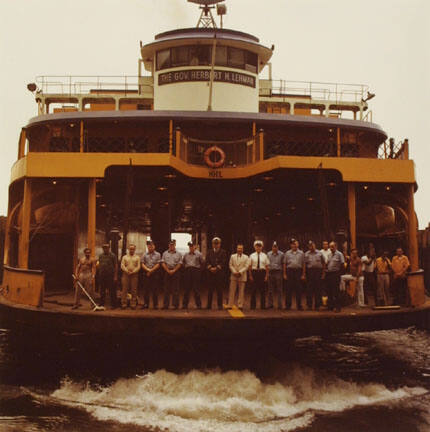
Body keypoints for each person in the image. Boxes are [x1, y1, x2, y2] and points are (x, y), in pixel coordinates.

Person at [206, 237, 228, 310]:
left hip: (219, 274)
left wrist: (217, 268)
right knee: (210, 290)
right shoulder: (209, 252)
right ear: (212, 244)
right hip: (210, 273)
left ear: (220, 244)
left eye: (217, 243)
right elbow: (207, 261)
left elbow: (224, 262)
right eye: (214, 244)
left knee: (219, 290)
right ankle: (209, 306)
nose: (216, 245)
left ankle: (220, 305)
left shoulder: (223, 252)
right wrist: (210, 268)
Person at [283, 238, 305, 310]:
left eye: (295, 244)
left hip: (298, 271)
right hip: (290, 271)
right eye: (292, 244)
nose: (294, 245)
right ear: (290, 245)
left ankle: (299, 305)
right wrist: (285, 274)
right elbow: (284, 264)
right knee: (288, 289)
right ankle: (288, 305)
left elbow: (303, 264)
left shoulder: (301, 253)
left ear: (298, 245)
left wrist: (303, 274)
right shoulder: (287, 253)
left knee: (298, 289)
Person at [161, 240, 183, 309]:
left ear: (175, 245)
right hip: (167, 271)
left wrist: (174, 270)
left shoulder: (179, 253)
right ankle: (165, 305)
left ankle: (175, 305)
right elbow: (163, 263)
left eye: (173, 245)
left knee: (175, 289)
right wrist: (168, 270)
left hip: (176, 272)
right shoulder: (165, 253)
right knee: (166, 289)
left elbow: (180, 264)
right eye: (170, 245)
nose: (171, 246)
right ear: (168, 245)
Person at [304, 241, 325, 310]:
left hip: (318, 272)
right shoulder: (306, 254)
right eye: (310, 246)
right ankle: (309, 305)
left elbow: (324, 263)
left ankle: (317, 306)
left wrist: (323, 273)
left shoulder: (320, 253)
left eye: (312, 245)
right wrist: (304, 274)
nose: (311, 247)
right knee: (309, 289)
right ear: (308, 247)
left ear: (315, 246)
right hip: (310, 272)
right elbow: (304, 265)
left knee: (318, 289)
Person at [182, 241, 204, 309]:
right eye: (190, 246)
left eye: (192, 246)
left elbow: (202, 263)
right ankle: (184, 305)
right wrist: (185, 270)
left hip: (196, 271)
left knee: (196, 289)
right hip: (188, 271)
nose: (191, 247)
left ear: (195, 246)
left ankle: (199, 305)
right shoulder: (185, 254)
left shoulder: (199, 254)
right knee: (187, 289)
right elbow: (183, 262)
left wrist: (199, 271)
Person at [227, 243, 249, 310]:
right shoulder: (232, 256)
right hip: (233, 276)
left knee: (241, 291)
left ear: (243, 249)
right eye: (238, 248)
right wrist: (234, 272)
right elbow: (230, 265)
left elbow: (246, 266)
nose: (239, 249)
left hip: (242, 276)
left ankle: (240, 305)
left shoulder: (246, 257)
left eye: (241, 248)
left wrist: (240, 272)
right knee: (232, 291)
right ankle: (230, 305)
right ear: (236, 249)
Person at [249, 240, 269, 309]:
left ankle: (263, 306)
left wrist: (266, 276)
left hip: (262, 273)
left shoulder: (265, 256)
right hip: (254, 273)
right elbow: (250, 267)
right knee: (253, 290)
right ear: (254, 247)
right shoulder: (251, 255)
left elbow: (267, 267)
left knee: (262, 291)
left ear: (262, 247)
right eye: (257, 246)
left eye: (259, 246)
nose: (258, 248)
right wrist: (250, 275)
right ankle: (252, 306)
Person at [141, 240, 161, 309]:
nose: (150, 247)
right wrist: (148, 270)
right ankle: (146, 304)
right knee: (146, 290)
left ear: (154, 246)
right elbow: (142, 264)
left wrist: (151, 271)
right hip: (146, 273)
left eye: (151, 245)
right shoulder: (144, 254)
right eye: (149, 246)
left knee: (155, 290)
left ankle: (155, 305)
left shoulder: (158, 254)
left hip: (154, 274)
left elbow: (158, 264)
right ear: (147, 246)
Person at [325, 241, 345, 312]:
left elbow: (342, 264)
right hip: (329, 274)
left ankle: (338, 307)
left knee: (336, 291)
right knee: (329, 291)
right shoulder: (329, 255)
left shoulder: (339, 254)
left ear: (336, 247)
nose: (331, 248)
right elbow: (327, 263)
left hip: (336, 274)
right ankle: (330, 306)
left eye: (332, 247)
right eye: (330, 247)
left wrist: (340, 273)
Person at [97, 243, 118, 309]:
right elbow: (99, 265)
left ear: (109, 248)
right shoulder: (100, 256)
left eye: (106, 247)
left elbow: (116, 266)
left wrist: (115, 276)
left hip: (110, 276)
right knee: (102, 291)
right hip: (102, 276)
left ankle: (114, 305)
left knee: (112, 291)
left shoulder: (113, 255)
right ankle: (101, 304)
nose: (105, 249)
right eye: (104, 248)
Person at [120, 244, 140, 309]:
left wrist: (133, 271)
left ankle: (133, 304)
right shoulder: (124, 257)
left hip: (134, 275)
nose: (131, 250)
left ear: (134, 250)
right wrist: (127, 271)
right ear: (128, 249)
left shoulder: (137, 257)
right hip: (126, 274)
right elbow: (122, 265)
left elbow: (138, 266)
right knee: (124, 290)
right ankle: (124, 303)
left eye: (133, 249)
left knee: (134, 290)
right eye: (130, 249)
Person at [267, 241, 284, 309]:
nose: (274, 248)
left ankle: (280, 305)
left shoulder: (281, 254)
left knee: (279, 289)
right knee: (270, 289)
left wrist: (283, 273)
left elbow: (283, 264)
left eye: (276, 247)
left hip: (278, 272)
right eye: (273, 246)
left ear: (278, 247)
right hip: (271, 272)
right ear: (272, 247)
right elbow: (267, 264)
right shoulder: (268, 254)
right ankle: (270, 304)